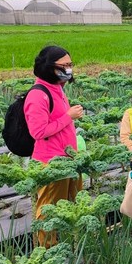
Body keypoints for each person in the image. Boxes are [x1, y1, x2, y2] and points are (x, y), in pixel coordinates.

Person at [24, 45, 84, 247]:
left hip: (68, 158)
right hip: (51, 163)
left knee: (71, 207)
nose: (69, 69)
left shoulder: (57, 88)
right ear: (50, 67)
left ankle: (70, 246)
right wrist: (68, 117)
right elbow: (38, 132)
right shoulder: (37, 95)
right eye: (65, 65)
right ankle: (48, 252)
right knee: (49, 210)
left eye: (70, 64)